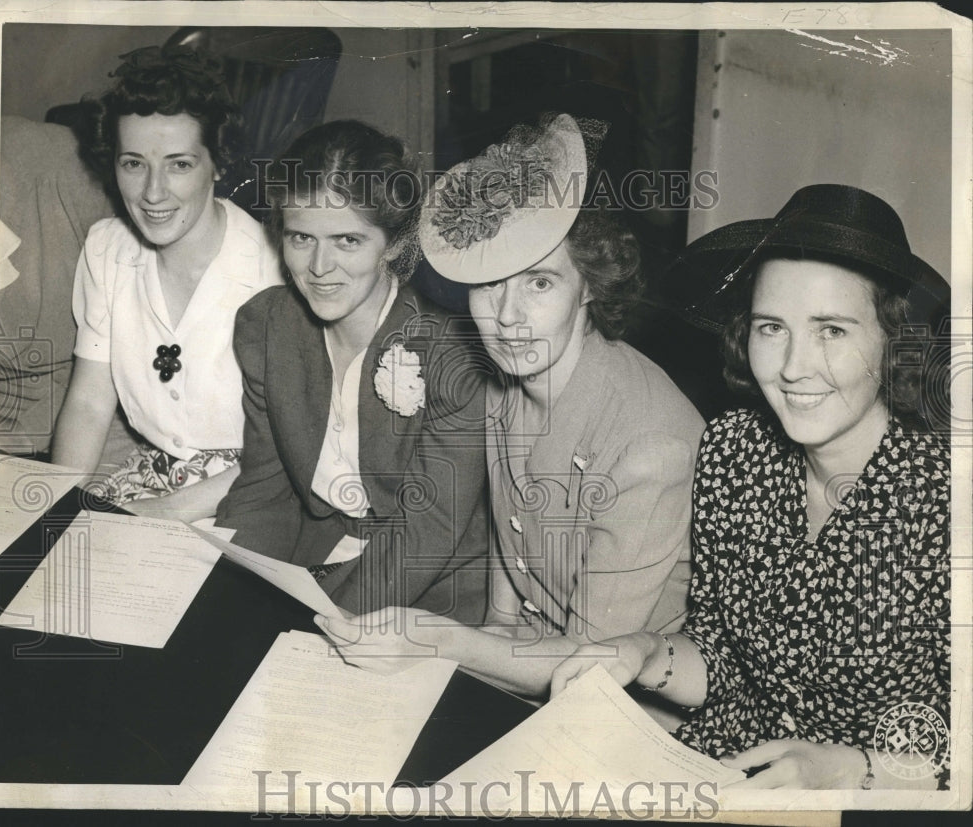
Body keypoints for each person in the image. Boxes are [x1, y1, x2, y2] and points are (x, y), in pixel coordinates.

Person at [551, 184, 951, 790]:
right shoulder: (736, 451)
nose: (793, 366)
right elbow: (719, 652)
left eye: (832, 331)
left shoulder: (949, 500)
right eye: (771, 327)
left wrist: (851, 768)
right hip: (721, 778)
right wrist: (639, 653)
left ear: (893, 340)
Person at [320, 114, 705, 698]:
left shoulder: (650, 445)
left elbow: (593, 665)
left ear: (591, 286)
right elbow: (509, 590)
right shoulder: (504, 384)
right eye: (490, 283)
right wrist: (486, 637)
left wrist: (442, 643)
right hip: (527, 663)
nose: (506, 317)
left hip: (629, 703)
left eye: (539, 284)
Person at [214, 120, 490, 623]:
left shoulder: (455, 356)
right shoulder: (266, 327)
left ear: (391, 244)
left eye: (347, 241)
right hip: (319, 557)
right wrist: (232, 589)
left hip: (429, 588)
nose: (319, 266)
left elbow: (429, 530)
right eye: (300, 237)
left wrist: (327, 626)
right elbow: (264, 489)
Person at [50, 45, 282, 518]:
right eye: (133, 163)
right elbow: (91, 403)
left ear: (217, 164)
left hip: (256, 489)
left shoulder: (275, 272)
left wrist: (159, 517)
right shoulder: (107, 249)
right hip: (157, 476)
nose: (152, 193)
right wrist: (56, 511)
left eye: (179, 164)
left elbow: (288, 451)